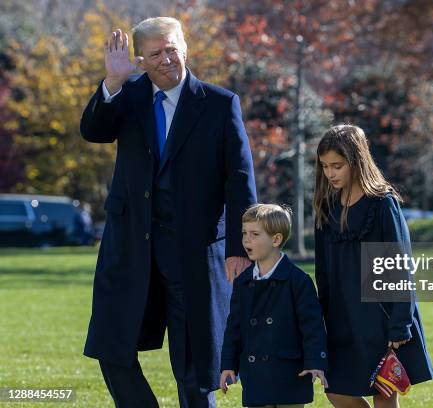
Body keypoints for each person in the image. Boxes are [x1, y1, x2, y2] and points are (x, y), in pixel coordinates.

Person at [80, 17, 257, 408]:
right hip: (130, 250)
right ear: (141, 59)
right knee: (111, 348)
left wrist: (241, 248)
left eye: (172, 48)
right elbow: (93, 130)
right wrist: (112, 82)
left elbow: (240, 181)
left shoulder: (220, 104)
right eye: (156, 53)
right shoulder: (127, 95)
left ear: (185, 48)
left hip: (193, 253)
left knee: (195, 369)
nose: (166, 59)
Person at [313, 125, 433, 408]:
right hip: (341, 317)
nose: (330, 173)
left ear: (356, 161)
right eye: (325, 166)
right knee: (336, 391)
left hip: (379, 316)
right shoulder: (326, 206)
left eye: (337, 166)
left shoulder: (382, 204)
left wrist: (400, 324)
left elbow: (400, 267)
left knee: (383, 393)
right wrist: (321, 317)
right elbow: (323, 272)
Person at [220, 204, 328, 407]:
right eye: (244, 233)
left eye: (254, 234)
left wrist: (316, 362)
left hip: (290, 373)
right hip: (255, 377)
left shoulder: (298, 280)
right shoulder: (242, 282)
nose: (246, 240)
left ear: (276, 239)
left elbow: (312, 327)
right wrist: (228, 365)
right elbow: (233, 329)